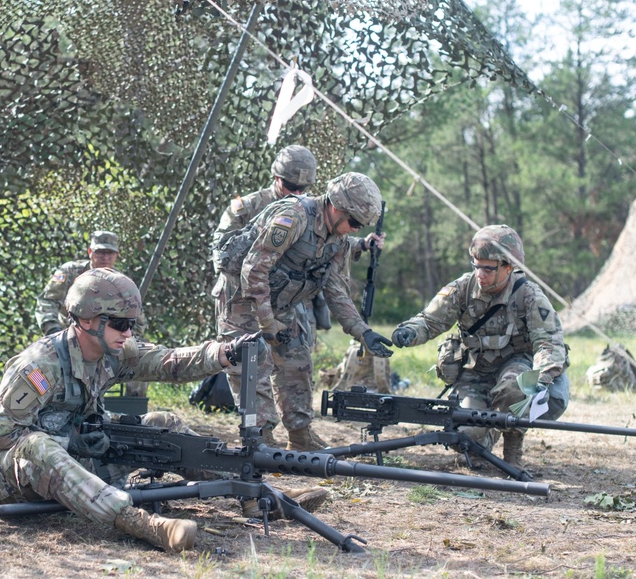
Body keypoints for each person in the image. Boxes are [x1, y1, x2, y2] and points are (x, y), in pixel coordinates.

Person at [0, 268, 325, 553]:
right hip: (18, 476)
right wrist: (71, 440)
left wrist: (225, 352)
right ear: (86, 319)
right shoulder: (39, 367)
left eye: (131, 324)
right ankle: (143, 525)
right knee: (40, 444)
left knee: (161, 424)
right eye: (119, 323)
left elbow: (166, 361)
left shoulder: (113, 351)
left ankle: (256, 495)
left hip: (77, 459)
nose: (127, 332)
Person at [214, 172, 394, 451]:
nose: (356, 229)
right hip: (244, 300)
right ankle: (260, 440)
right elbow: (254, 269)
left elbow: (335, 290)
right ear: (336, 207)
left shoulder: (339, 240)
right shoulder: (294, 217)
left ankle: (300, 436)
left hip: (281, 303)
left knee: (297, 364)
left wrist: (363, 331)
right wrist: (266, 323)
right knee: (252, 368)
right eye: (354, 221)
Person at [390, 225, 570, 468]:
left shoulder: (529, 296)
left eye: (488, 268)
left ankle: (512, 446)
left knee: (515, 390)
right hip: (476, 372)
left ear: (509, 267)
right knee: (464, 435)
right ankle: (489, 430)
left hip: (515, 365)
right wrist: (409, 332)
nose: (480, 274)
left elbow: (549, 343)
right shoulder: (462, 289)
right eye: (476, 265)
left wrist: (540, 378)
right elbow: (431, 321)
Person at [35, 230, 147, 396]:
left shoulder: (121, 283)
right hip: (69, 336)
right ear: (90, 252)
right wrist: (53, 330)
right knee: (38, 358)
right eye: (100, 252)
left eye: (110, 253)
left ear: (117, 255)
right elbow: (47, 301)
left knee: (137, 355)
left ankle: (131, 410)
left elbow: (137, 320)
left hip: (107, 339)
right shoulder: (70, 272)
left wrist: (124, 339)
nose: (105, 257)